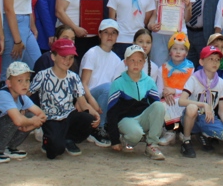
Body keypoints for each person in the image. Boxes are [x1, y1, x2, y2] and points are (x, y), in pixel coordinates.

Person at [30, 38, 100, 159]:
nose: (67, 61)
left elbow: (82, 103)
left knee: (88, 119)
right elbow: (28, 93)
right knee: (55, 152)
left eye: (71, 57)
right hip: (50, 118)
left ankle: (68, 138)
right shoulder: (42, 75)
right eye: (63, 56)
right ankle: (48, 140)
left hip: (69, 115)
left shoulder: (74, 77)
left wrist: (95, 114)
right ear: (53, 56)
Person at [178, 45, 223, 157]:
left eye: (217, 60)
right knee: (192, 108)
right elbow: (181, 101)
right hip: (191, 117)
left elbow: (222, 111)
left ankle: (204, 133)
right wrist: (203, 104)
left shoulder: (221, 83)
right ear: (201, 61)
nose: (214, 62)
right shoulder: (194, 79)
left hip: (209, 119)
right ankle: (186, 141)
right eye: (210, 59)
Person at [0, 61, 46, 163]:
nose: (25, 84)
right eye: (19, 80)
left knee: (29, 115)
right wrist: (32, 122)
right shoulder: (4, 95)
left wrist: (30, 124)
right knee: (16, 118)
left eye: (27, 80)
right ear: (9, 83)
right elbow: (18, 121)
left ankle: (8, 147)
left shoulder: (22, 97)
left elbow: (41, 115)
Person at [106, 45, 167, 159]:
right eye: (132, 60)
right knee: (136, 135)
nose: (136, 64)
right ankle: (125, 138)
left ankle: (152, 145)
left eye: (139, 61)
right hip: (125, 120)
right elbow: (112, 112)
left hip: (143, 118)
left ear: (144, 63)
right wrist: (114, 140)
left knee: (159, 106)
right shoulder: (118, 83)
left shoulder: (149, 81)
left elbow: (156, 108)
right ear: (125, 62)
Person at [79, 18, 124, 148]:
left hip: (105, 96)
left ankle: (106, 125)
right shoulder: (92, 53)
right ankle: (98, 128)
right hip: (89, 96)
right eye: (106, 32)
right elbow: (83, 83)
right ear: (99, 34)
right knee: (109, 88)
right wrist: (92, 101)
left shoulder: (116, 59)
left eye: (113, 33)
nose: (110, 36)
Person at [161, 33, 194, 132]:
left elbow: (192, 91)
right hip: (168, 101)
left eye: (182, 49)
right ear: (169, 51)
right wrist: (165, 94)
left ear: (186, 53)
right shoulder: (162, 68)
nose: (178, 52)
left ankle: (183, 130)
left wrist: (174, 91)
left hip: (184, 99)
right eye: (174, 48)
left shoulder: (191, 69)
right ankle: (169, 131)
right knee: (164, 104)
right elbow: (158, 90)